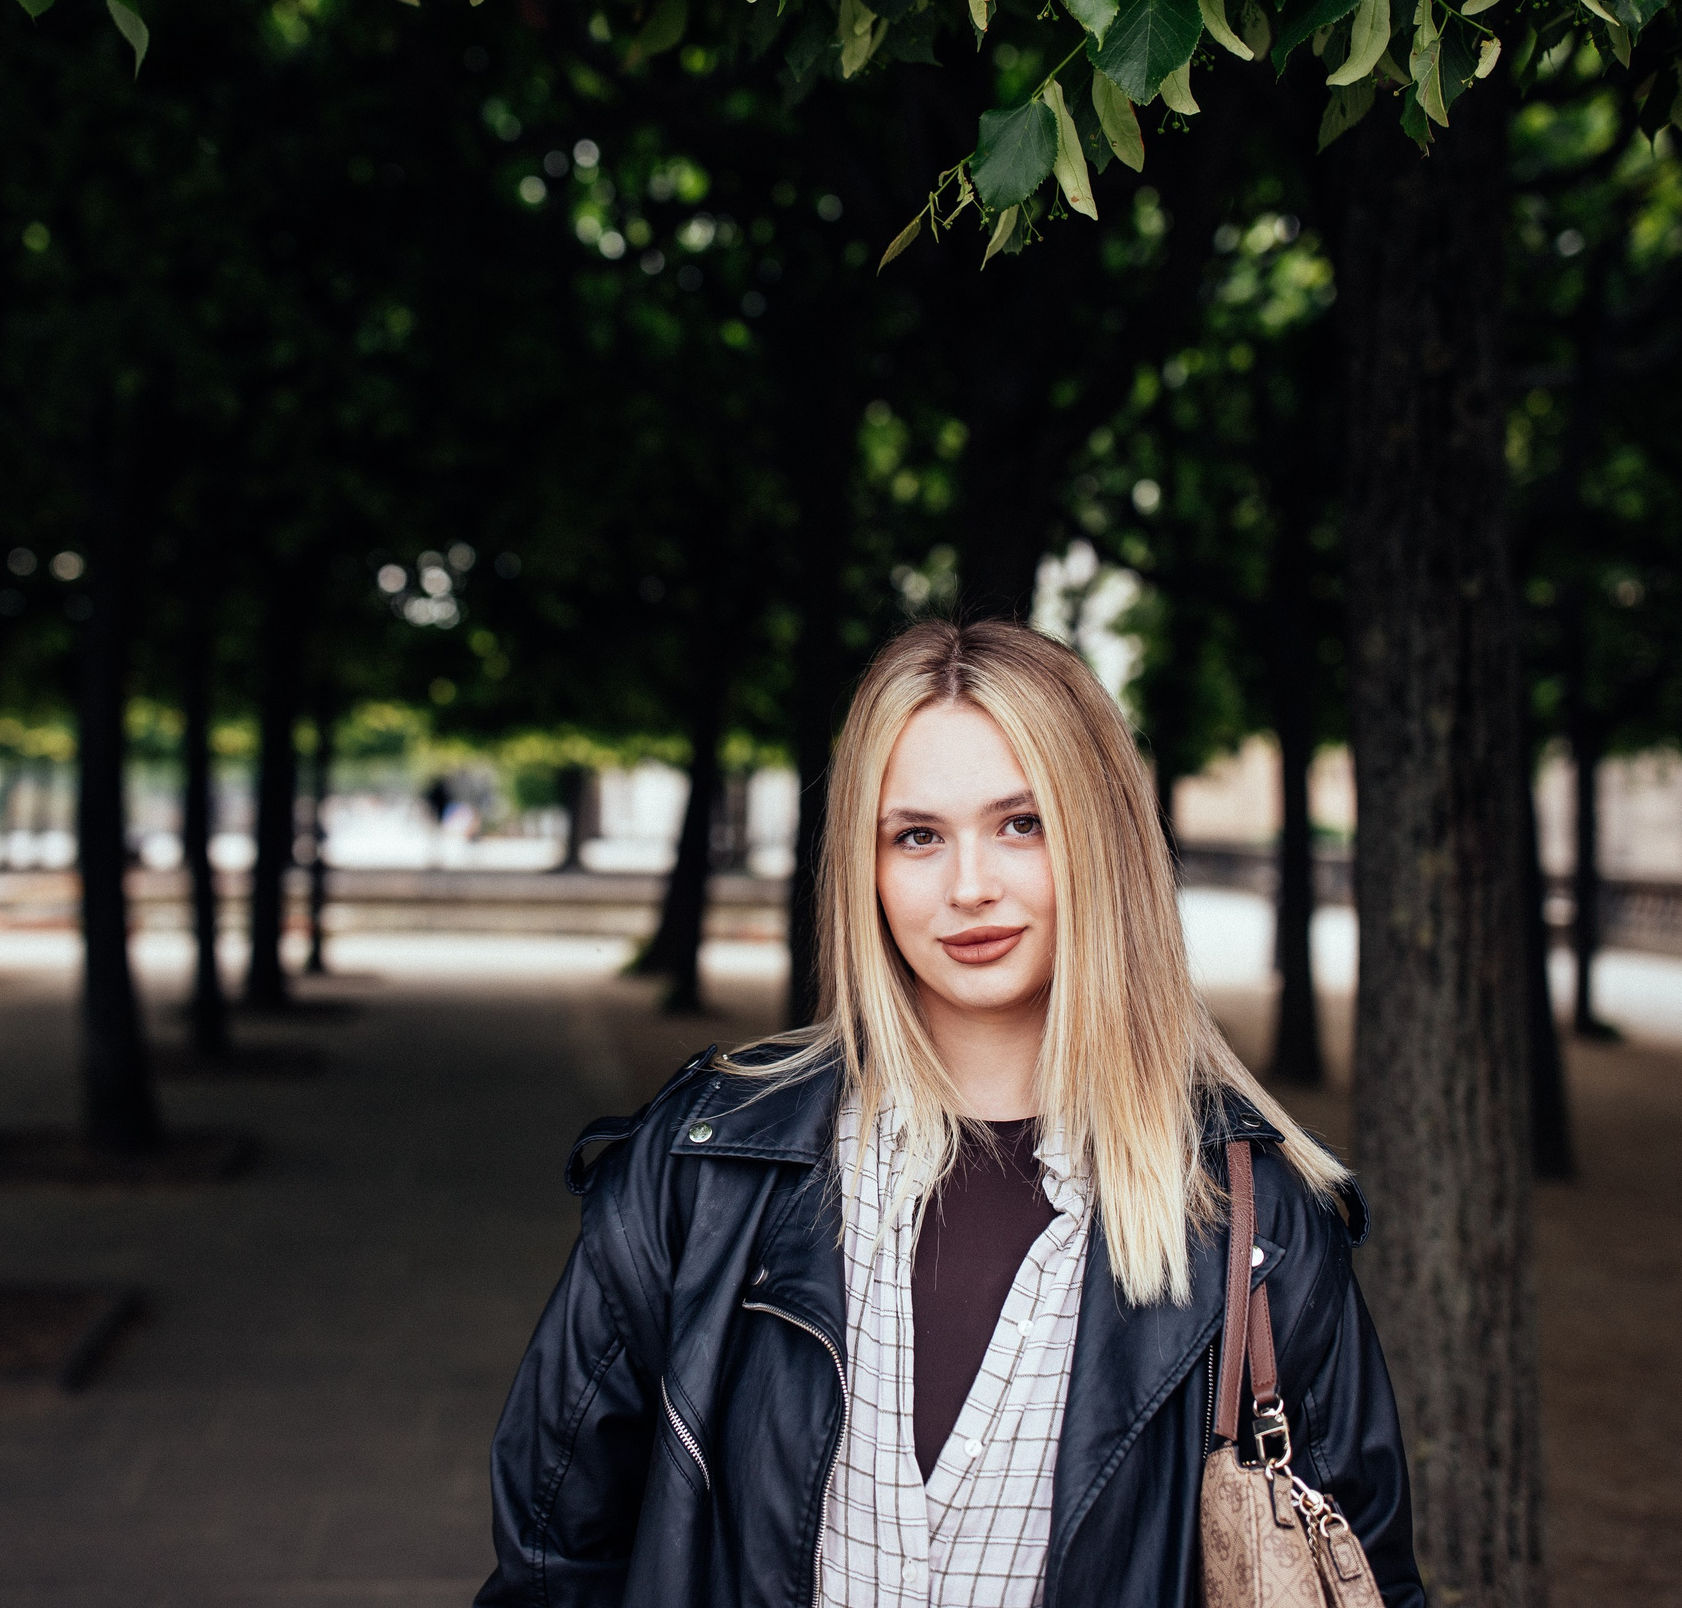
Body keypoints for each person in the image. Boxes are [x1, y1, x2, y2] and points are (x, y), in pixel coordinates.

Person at [478, 619, 1422, 1608]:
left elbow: (1360, 1576)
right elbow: (553, 1562)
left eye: (1022, 823)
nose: (970, 887)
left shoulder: (1256, 1226)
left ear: (1103, 841)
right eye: (917, 836)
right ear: (866, 866)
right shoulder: (703, 1168)